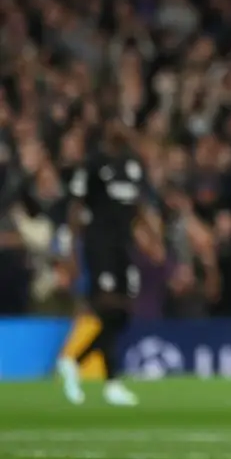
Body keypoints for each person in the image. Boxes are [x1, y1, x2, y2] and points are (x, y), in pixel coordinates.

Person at [57, 114, 160, 406]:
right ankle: (111, 382)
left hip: (124, 246)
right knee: (108, 307)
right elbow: (75, 209)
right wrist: (72, 253)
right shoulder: (93, 164)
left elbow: (140, 205)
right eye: (117, 122)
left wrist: (153, 238)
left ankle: (75, 361)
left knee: (123, 313)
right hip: (99, 243)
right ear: (107, 127)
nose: (123, 128)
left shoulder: (133, 164)